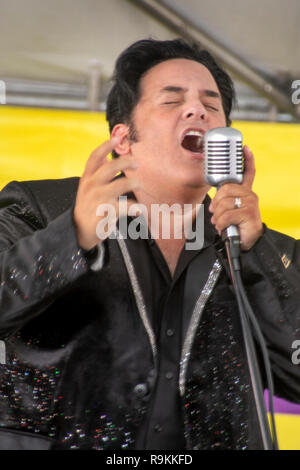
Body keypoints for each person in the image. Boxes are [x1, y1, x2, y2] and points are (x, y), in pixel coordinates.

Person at [0, 38, 299, 451]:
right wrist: (74, 235)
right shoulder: (39, 208)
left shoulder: (260, 249)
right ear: (123, 139)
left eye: (212, 106)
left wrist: (256, 255)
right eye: (171, 100)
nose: (197, 110)